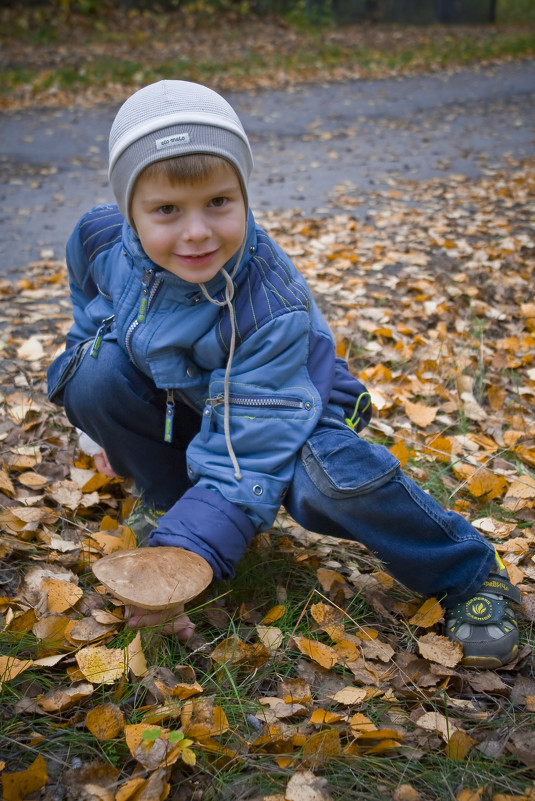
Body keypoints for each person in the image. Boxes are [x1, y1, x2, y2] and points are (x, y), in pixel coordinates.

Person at [47, 80, 520, 668]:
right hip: (197, 398)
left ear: (244, 194)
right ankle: (178, 503)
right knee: (94, 373)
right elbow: (90, 318)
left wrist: (178, 561)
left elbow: (249, 441)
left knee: (323, 482)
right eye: (167, 210)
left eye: (219, 202)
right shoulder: (98, 239)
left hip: (288, 402)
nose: (197, 232)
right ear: (128, 211)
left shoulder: (268, 304)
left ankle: (468, 571)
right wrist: (99, 432)